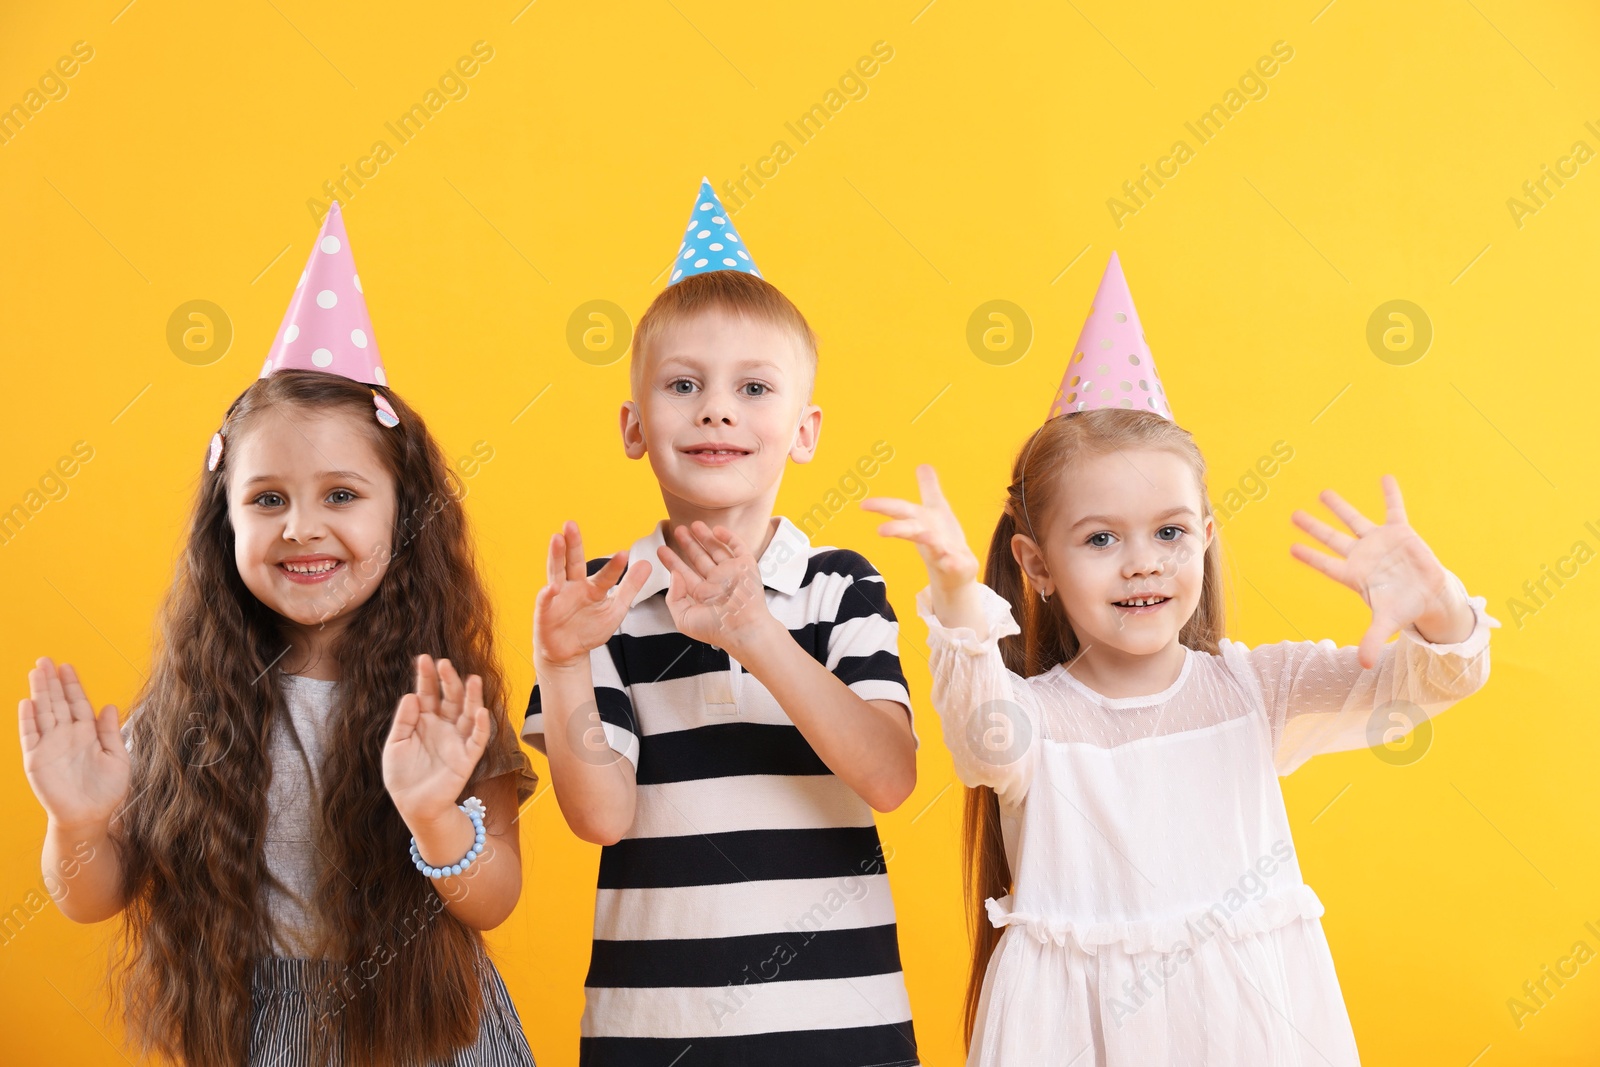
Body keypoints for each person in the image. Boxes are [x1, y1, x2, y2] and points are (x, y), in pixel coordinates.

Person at [862, 252, 1498, 1065]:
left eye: (1169, 531)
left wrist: (1439, 605)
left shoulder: (1256, 691)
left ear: (1204, 536)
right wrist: (955, 601)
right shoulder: (1038, 721)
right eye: (1100, 538)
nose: (1143, 563)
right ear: (1037, 565)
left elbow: (1424, 685)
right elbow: (979, 737)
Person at [17, 204, 538, 1066]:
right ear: (223, 522)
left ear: (404, 511)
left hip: (426, 1033)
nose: (301, 527)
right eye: (267, 499)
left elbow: (492, 900)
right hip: (263, 1035)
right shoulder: (190, 705)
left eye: (341, 495)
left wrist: (433, 811)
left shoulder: (446, 705)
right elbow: (94, 895)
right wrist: (77, 823)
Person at [525, 180, 921, 1065]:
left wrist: (755, 633)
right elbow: (599, 814)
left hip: (841, 1028)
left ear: (804, 428)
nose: (716, 409)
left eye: (753, 386)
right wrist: (561, 659)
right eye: (683, 384)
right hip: (653, 1031)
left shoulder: (840, 587)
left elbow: (890, 776)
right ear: (633, 426)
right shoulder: (602, 600)